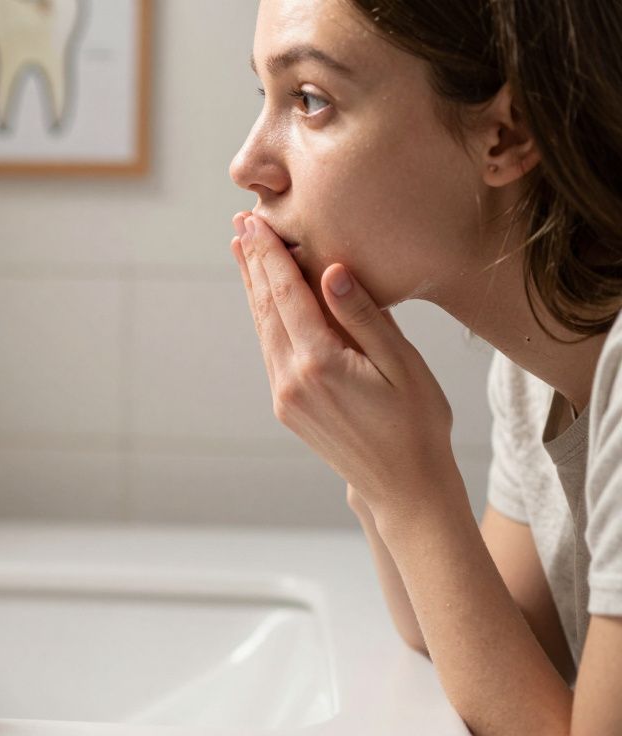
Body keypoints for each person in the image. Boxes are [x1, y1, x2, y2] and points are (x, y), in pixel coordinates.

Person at [228, 0, 622, 732]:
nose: (246, 164)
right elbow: (494, 638)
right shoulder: (541, 365)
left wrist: (411, 488)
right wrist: (375, 456)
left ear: (506, 134)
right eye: (266, 96)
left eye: (310, 99)